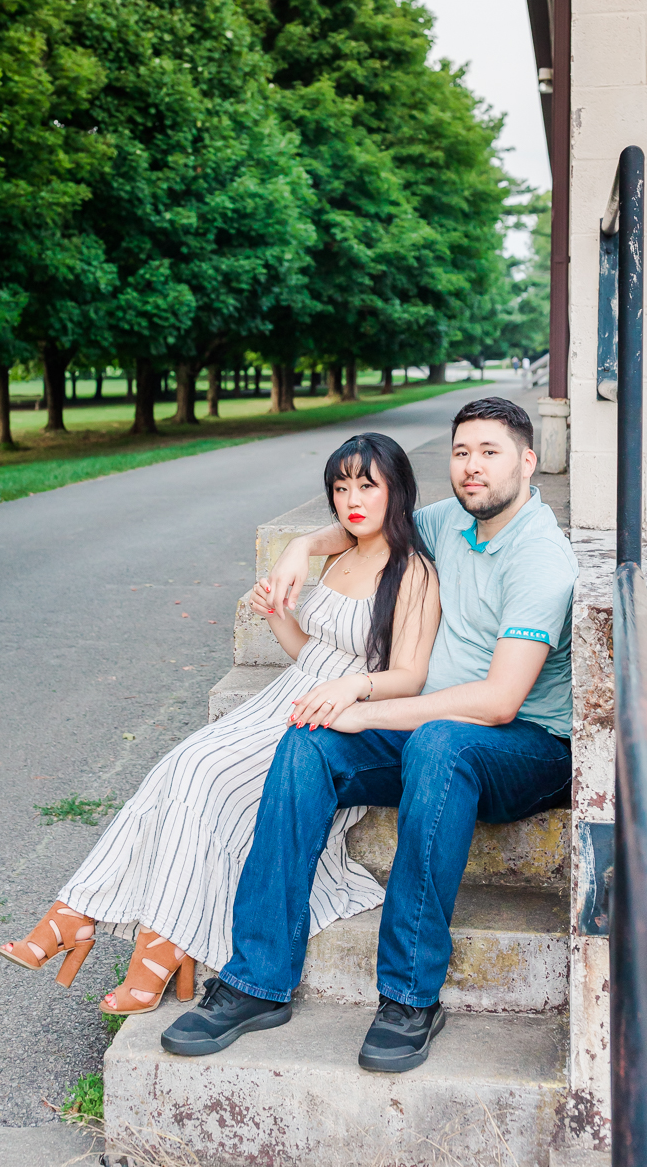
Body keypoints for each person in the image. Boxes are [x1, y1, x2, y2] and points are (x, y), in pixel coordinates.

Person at [161, 397, 576, 1073]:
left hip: (522, 749)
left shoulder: (538, 560)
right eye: (462, 452)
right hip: (430, 733)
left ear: (527, 461)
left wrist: (363, 699)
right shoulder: (451, 522)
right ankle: (255, 981)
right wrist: (299, 547)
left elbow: (500, 702)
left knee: (440, 742)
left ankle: (410, 996)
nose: (472, 467)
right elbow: (365, 525)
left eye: (490, 452)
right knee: (309, 737)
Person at [0, 432, 440, 1015]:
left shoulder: (414, 573)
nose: (352, 499)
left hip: (338, 717)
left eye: (367, 485)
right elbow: (311, 652)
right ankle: (122, 933)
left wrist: (354, 686)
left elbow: (408, 675)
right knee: (179, 766)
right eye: (340, 486)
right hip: (287, 695)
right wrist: (277, 613)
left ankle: (96, 925)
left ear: (396, 489)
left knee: (203, 774)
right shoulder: (341, 552)